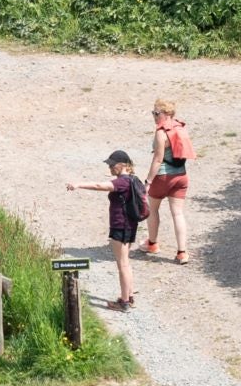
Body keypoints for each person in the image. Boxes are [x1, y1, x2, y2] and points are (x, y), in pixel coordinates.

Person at [66, 150, 147, 310]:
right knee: (126, 262)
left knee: (122, 264)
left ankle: (123, 302)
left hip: (120, 225)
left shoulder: (122, 182)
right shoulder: (134, 180)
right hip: (130, 225)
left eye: (112, 164)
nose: (110, 167)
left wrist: (78, 184)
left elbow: (99, 186)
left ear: (123, 165)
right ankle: (128, 296)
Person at [143, 99, 197, 264]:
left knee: (153, 209)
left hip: (163, 177)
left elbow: (158, 159)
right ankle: (182, 252)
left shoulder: (161, 133)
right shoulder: (180, 128)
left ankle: (152, 244)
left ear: (166, 114)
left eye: (156, 113)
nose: (154, 116)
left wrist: (148, 181)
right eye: (153, 112)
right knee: (178, 214)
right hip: (181, 176)